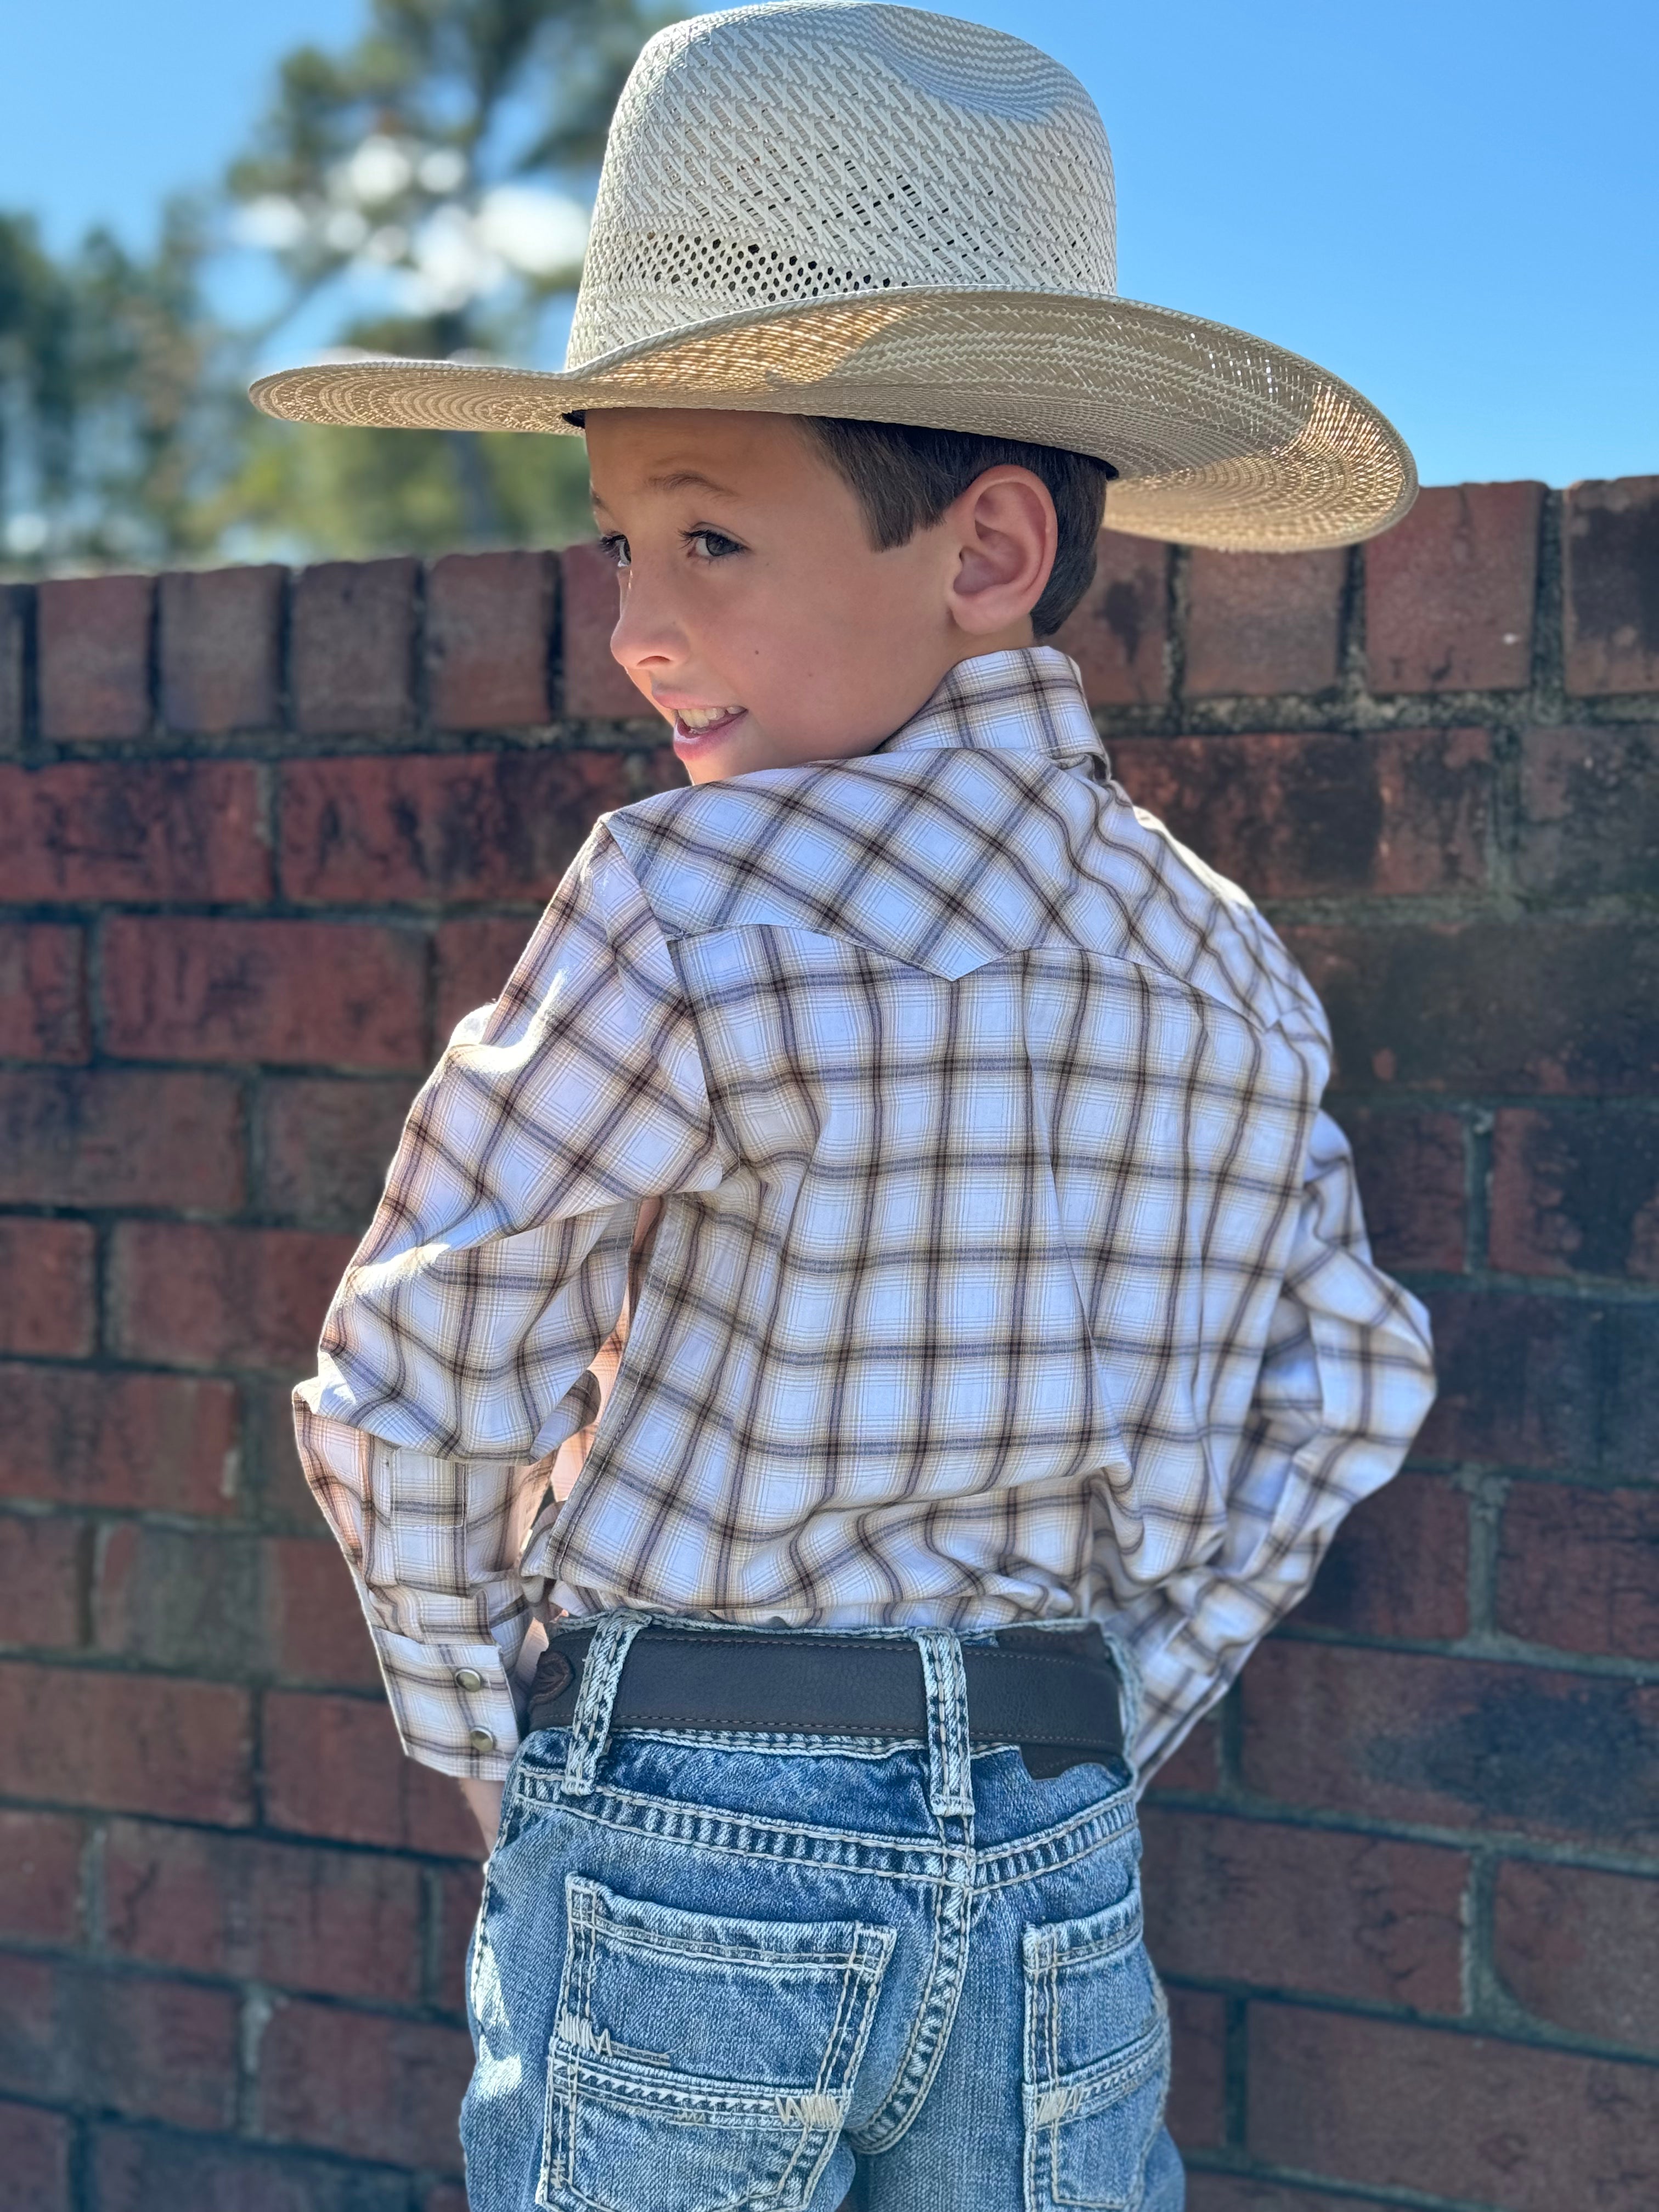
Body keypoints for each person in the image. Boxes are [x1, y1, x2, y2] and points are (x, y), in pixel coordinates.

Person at [262, 7, 1436, 2208]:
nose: (634, 630)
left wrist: (497, 1750)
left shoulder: (683, 899)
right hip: (1064, 1867)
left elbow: (414, 1369)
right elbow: (1351, 1373)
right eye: (621, 545)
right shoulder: (1221, 955)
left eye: (706, 542)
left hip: (685, 1832)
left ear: (987, 551)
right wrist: (1107, 1710)